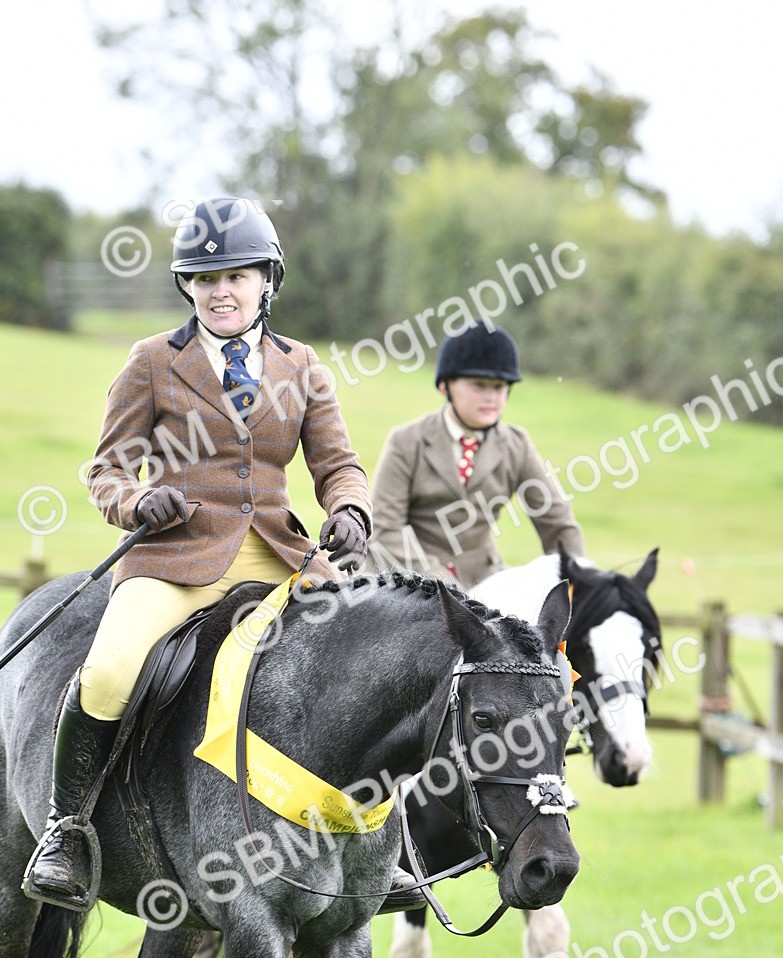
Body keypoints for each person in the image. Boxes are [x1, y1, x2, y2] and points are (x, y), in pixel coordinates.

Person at [25, 195, 419, 913]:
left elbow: (338, 464)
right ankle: (66, 828)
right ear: (189, 288)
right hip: (174, 560)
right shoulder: (152, 362)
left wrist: (351, 509)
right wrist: (136, 501)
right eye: (207, 280)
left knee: (370, 664)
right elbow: (107, 469)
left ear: (268, 280)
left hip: (276, 557)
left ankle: (383, 849)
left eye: (237, 276)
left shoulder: (302, 368)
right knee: (109, 670)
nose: (222, 291)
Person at [365, 321, 585, 588]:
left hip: (485, 581)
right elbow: (386, 530)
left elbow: (557, 522)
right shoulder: (406, 442)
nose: (491, 397)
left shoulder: (518, 445)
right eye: (479, 385)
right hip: (408, 579)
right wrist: (442, 585)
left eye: (499, 386)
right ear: (445, 386)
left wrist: (580, 581)